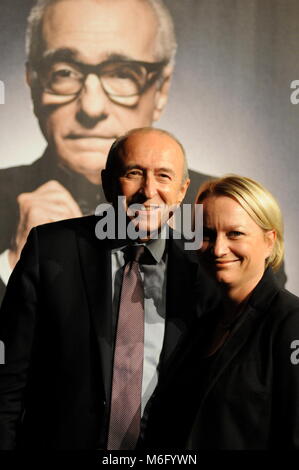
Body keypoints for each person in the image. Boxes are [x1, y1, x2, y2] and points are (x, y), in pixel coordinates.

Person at [0, 127, 218, 449]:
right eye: (134, 173)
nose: (148, 190)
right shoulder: (50, 250)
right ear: (107, 182)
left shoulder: (204, 269)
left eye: (164, 176)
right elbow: (8, 381)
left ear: (183, 190)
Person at [0, 0, 211, 303]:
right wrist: (12, 265)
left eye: (123, 73)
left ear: (161, 89)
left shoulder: (221, 211)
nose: (91, 107)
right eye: (64, 72)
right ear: (32, 82)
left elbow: (257, 329)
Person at [141, 174, 299, 450]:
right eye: (206, 235)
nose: (218, 249)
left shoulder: (291, 322)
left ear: (269, 241)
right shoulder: (201, 325)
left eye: (235, 233)